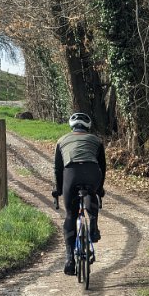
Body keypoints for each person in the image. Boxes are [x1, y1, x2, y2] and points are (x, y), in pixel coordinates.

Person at [52, 112, 106, 275]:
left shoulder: (61, 141)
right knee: (91, 192)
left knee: (70, 215)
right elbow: (102, 167)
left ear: (72, 126)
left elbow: (58, 169)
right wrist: (100, 188)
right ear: (88, 127)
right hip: (92, 172)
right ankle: (94, 225)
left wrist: (59, 189)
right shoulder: (96, 140)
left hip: (71, 174)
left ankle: (69, 259)